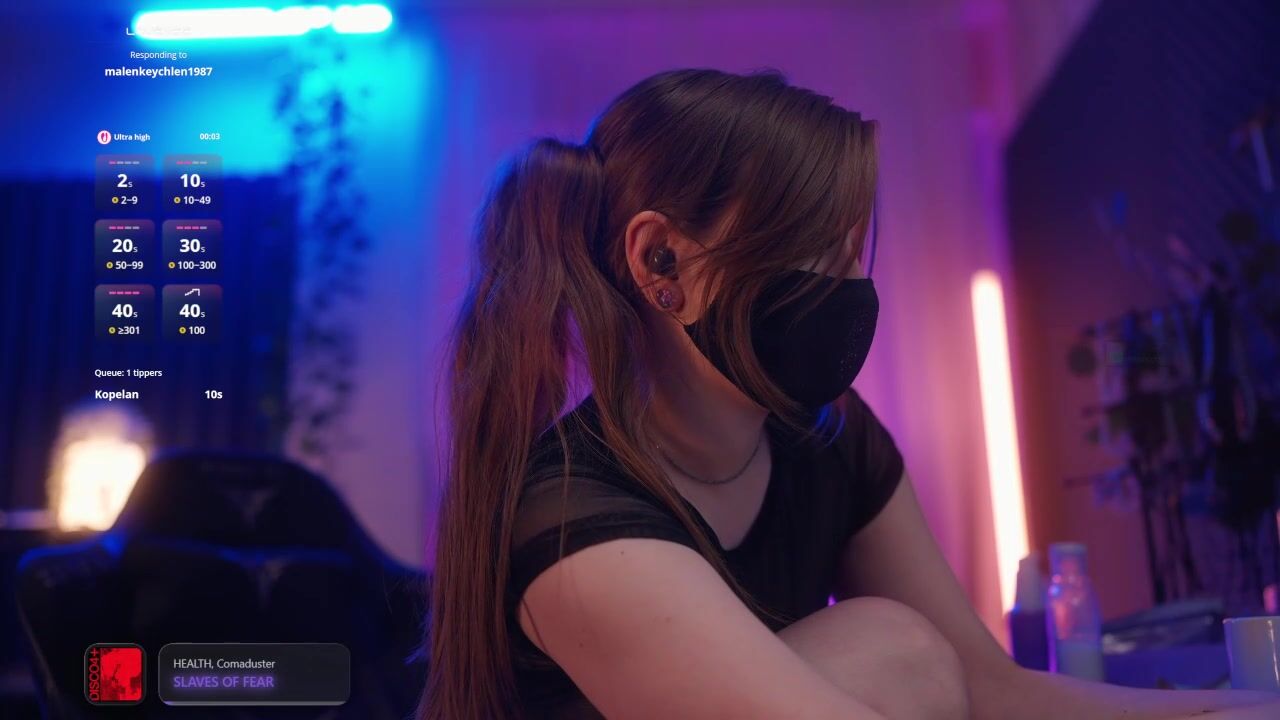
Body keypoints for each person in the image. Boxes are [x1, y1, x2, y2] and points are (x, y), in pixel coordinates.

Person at [422, 69, 1280, 719]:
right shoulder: (578, 522)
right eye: (813, 250)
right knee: (891, 649)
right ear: (662, 264)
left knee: (902, 650)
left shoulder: (825, 435)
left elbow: (992, 689)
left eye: (848, 251)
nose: (846, 288)